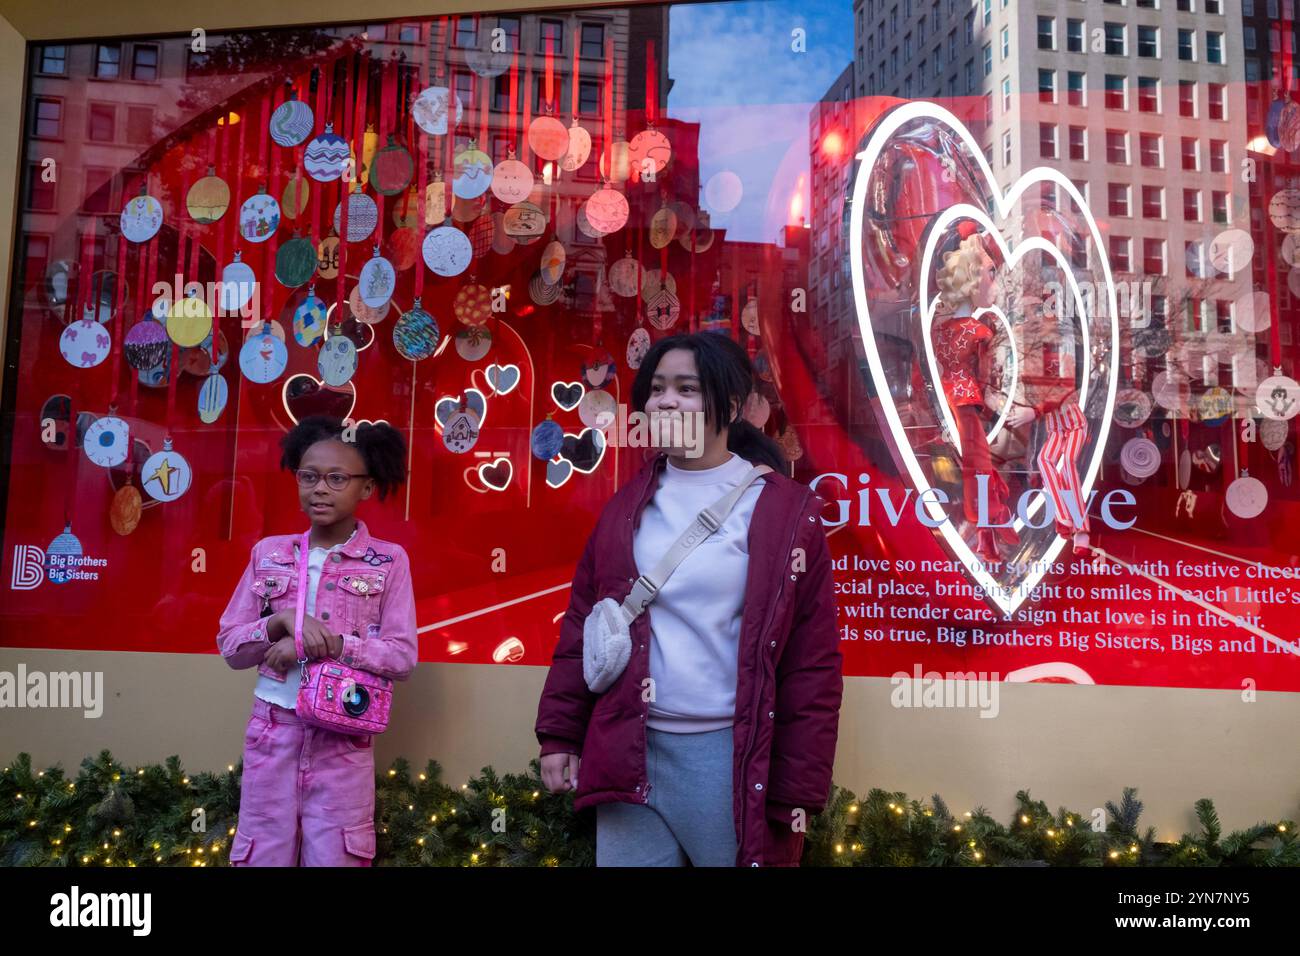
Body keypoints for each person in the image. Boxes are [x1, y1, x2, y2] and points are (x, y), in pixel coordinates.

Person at [534, 332, 843, 867]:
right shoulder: (626, 506)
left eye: (687, 388)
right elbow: (585, 624)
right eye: (656, 389)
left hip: (729, 759)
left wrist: (796, 788)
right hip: (627, 747)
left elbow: (811, 663)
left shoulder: (785, 513)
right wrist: (560, 733)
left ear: (727, 404)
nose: (666, 401)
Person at [216, 415, 417, 866]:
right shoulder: (269, 553)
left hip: (343, 738)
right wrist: (280, 622)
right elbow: (230, 646)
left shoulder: (387, 561)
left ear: (366, 488)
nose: (319, 489)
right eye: (308, 476)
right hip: (272, 728)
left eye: (337, 478)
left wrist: (323, 643)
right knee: (261, 854)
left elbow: (402, 657)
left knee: (337, 856)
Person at [934, 230, 1016, 564]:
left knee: (977, 462)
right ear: (972, 280)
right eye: (988, 273)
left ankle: (989, 531)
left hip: (948, 397)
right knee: (978, 464)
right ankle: (989, 526)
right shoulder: (979, 331)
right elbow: (987, 377)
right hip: (966, 400)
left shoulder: (939, 330)